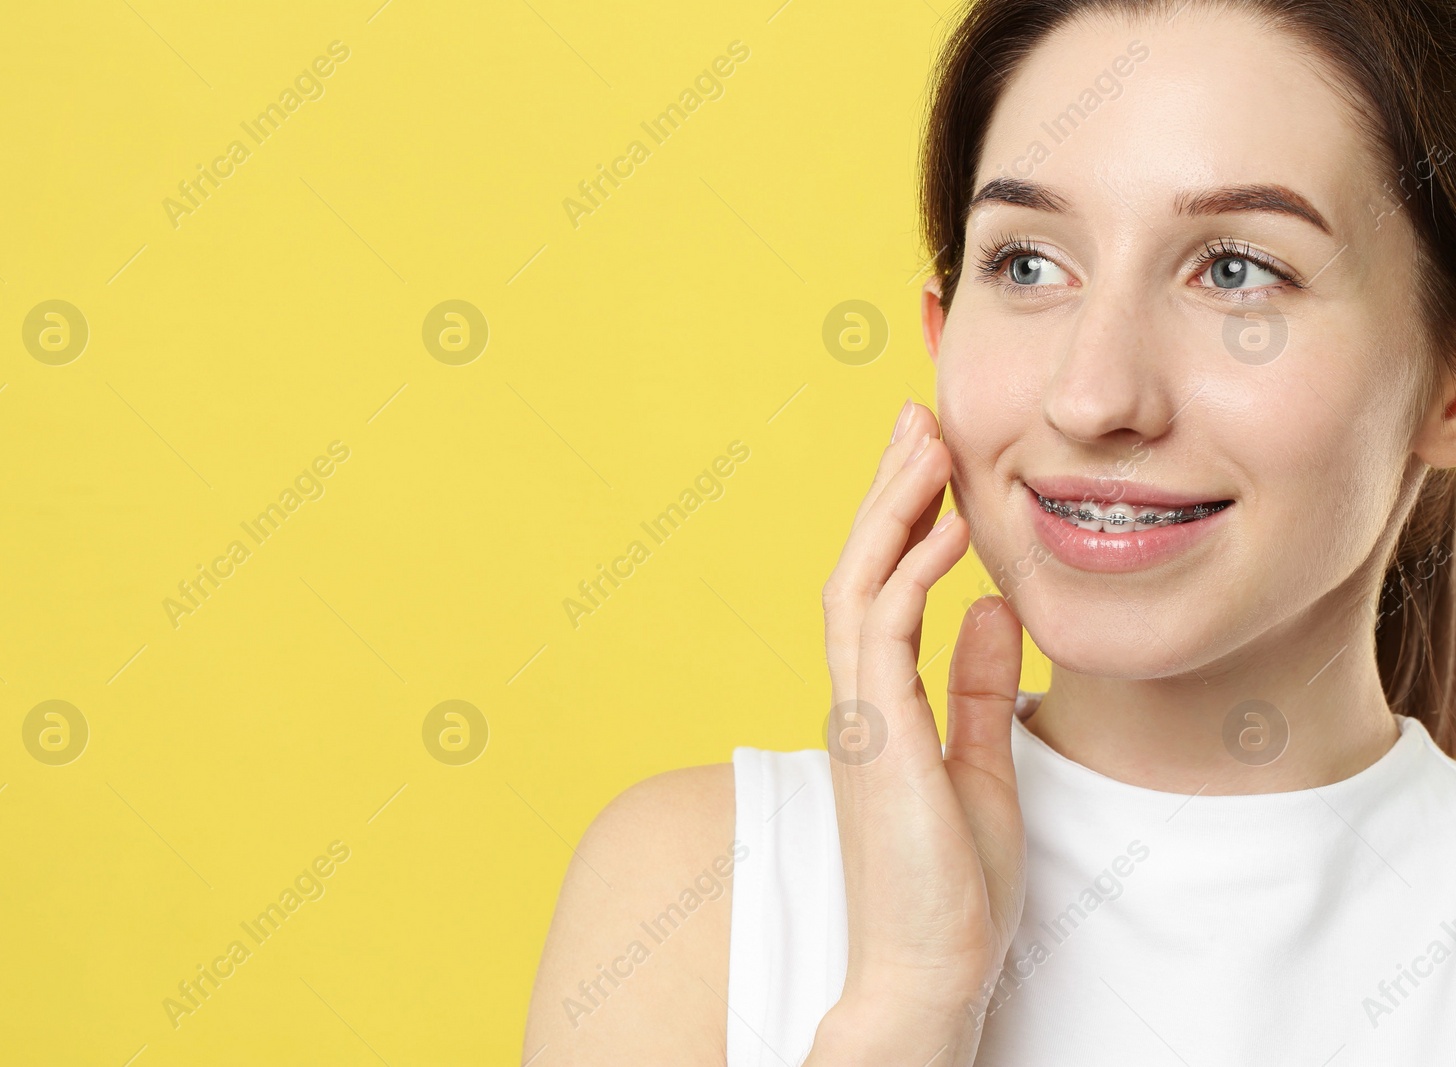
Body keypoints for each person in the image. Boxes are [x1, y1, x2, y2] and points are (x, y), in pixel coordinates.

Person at [524, 0, 1456, 1062]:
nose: (1093, 394)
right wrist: (910, 1001)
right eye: (1027, 265)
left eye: (1236, 269)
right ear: (941, 324)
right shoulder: (695, 896)